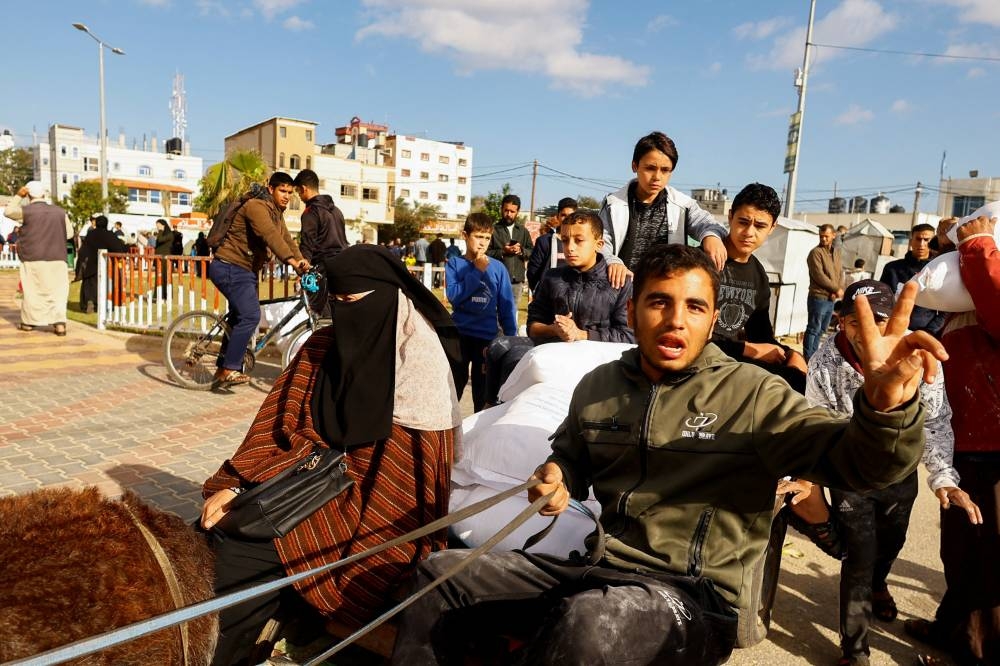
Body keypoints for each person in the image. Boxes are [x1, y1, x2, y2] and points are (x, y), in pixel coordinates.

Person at [390, 243, 946, 666]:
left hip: (694, 598)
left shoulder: (753, 395)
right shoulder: (599, 385)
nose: (676, 319)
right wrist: (557, 474)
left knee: (590, 626)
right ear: (632, 310)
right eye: (660, 301)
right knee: (444, 575)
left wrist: (884, 409)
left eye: (695, 307)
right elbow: (571, 453)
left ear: (711, 320)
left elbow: (862, 464)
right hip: (597, 569)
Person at [201, 244, 463, 666]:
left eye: (354, 303)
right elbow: (276, 426)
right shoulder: (322, 346)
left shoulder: (420, 371)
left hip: (372, 517)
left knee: (243, 566)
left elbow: (407, 493)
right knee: (213, 532)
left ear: (390, 297)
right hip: (301, 483)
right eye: (337, 303)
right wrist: (238, 483)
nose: (346, 316)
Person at [804, 279, 974, 666]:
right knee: (859, 559)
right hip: (851, 476)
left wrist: (944, 478)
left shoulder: (916, 358)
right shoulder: (824, 363)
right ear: (841, 323)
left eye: (881, 319)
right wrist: (810, 476)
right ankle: (856, 649)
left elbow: (934, 422)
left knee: (891, 543)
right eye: (854, 321)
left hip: (900, 474)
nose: (869, 332)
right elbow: (817, 423)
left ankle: (880, 584)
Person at [905, 215, 998, 666]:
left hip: (994, 448)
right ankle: (953, 631)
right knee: (962, 549)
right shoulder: (968, 305)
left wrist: (978, 244)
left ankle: (979, 652)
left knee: (989, 555)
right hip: (969, 437)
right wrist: (955, 239)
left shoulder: (988, 269)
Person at [484, 210, 633, 405]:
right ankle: (489, 409)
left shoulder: (619, 281)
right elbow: (533, 326)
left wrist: (581, 334)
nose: (569, 248)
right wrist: (553, 329)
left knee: (517, 356)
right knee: (497, 346)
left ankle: (507, 412)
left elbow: (628, 335)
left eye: (579, 240)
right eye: (565, 240)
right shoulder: (553, 277)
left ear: (599, 244)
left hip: (596, 355)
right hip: (554, 346)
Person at [208, 172, 309, 387]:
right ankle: (230, 369)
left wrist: (303, 263)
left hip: (244, 270)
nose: (286, 196)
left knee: (239, 318)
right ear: (270, 189)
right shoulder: (256, 206)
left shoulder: (276, 212)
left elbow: (286, 240)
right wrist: (291, 261)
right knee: (251, 316)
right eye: (282, 190)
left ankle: (221, 369)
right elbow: (270, 235)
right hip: (230, 267)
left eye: (290, 193)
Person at [598, 131, 728, 289]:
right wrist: (613, 261)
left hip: (665, 293)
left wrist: (711, 237)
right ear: (635, 166)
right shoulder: (613, 204)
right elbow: (600, 242)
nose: (657, 177)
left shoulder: (682, 204)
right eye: (650, 168)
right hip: (621, 293)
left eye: (665, 170)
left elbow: (708, 224)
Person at [711, 182, 807, 392]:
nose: (749, 232)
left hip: (732, 361)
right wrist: (747, 348)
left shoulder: (758, 275)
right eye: (743, 222)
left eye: (760, 226)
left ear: (772, 228)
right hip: (702, 360)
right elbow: (690, 335)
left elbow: (761, 336)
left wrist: (791, 354)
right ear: (730, 217)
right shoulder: (704, 261)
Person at [446, 212, 518, 411]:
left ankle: (477, 438)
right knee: (452, 390)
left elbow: (506, 306)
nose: (482, 243)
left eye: (487, 238)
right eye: (478, 236)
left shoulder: (498, 268)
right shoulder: (455, 264)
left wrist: (511, 339)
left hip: (486, 339)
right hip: (459, 337)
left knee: (483, 394)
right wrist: (477, 270)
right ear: (465, 235)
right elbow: (454, 296)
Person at [5, 181, 73, 336]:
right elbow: (69, 234)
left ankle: (29, 322)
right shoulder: (60, 212)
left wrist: (17, 196)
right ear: (45, 194)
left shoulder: (26, 211)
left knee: (32, 291)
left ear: (28, 195)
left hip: (33, 256)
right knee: (58, 292)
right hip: (57, 256)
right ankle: (59, 324)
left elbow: (8, 211)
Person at [293, 169, 348, 314]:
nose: (299, 196)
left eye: (298, 192)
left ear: (304, 188)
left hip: (322, 269)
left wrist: (302, 272)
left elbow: (307, 244)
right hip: (342, 267)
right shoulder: (337, 211)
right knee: (337, 313)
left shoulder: (311, 212)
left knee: (319, 315)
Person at [879, 224, 946, 335]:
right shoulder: (892, 268)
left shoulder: (938, 269)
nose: (922, 244)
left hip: (925, 333)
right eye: (918, 239)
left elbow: (945, 310)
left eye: (926, 240)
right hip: (892, 330)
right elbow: (881, 300)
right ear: (911, 241)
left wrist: (929, 332)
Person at [804, 223, 844, 359]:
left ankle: (815, 356)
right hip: (818, 297)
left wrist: (838, 288)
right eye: (821, 236)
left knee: (822, 330)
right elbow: (819, 276)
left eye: (826, 236)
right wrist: (836, 288)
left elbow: (839, 272)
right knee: (813, 329)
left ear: (833, 235)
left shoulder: (836, 253)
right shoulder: (815, 253)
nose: (823, 239)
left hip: (830, 298)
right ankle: (808, 358)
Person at [75, 215, 126, 313]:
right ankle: (104, 304)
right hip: (107, 266)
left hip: (91, 265)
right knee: (106, 285)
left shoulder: (91, 234)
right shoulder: (110, 235)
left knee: (90, 285)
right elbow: (118, 248)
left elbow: (84, 250)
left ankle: (90, 301)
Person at [527, 197, 577, 291]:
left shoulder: (581, 243)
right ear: (557, 216)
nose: (567, 219)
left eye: (571, 215)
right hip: (548, 299)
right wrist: (539, 293)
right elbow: (533, 271)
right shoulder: (544, 241)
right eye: (563, 215)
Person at [486, 194, 533, 291]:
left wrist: (521, 251)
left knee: (513, 307)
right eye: (506, 210)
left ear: (517, 212)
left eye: (512, 211)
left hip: (517, 282)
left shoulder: (523, 231)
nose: (509, 214)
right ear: (501, 209)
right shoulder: (492, 230)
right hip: (496, 279)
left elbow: (532, 252)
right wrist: (503, 251)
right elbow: (485, 253)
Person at [153, 219, 173, 300]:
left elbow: (161, 240)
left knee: (166, 277)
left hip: (165, 259)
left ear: (163, 225)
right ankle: (158, 295)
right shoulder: (161, 234)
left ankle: (166, 295)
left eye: (159, 225)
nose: (157, 227)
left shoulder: (169, 234)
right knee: (159, 277)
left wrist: (161, 230)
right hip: (159, 258)